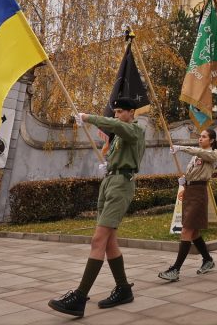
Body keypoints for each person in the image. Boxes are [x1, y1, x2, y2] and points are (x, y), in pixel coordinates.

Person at [48, 98, 146, 318]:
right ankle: (123, 289)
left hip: (122, 184)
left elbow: (117, 126)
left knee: (98, 240)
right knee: (110, 241)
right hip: (109, 182)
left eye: (121, 111)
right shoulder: (120, 136)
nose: (117, 115)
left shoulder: (135, 131)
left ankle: (80, 297)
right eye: (116, 111)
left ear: (132, 113)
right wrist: (108, 158)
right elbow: (112, 148)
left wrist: (88, 118)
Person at [158, 129, 217, 283]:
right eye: (200, 136)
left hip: (199, 193)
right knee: (194, 231)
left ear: (211, 140)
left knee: (186, 230)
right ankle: (208, 259)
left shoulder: (213, 154)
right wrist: (185, 180)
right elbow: (194, 171)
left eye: (204, 137)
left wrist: (181, 148)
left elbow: (199, 154)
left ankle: (175, 269)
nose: (200, 138)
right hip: (190, 191)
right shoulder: (197, 155)